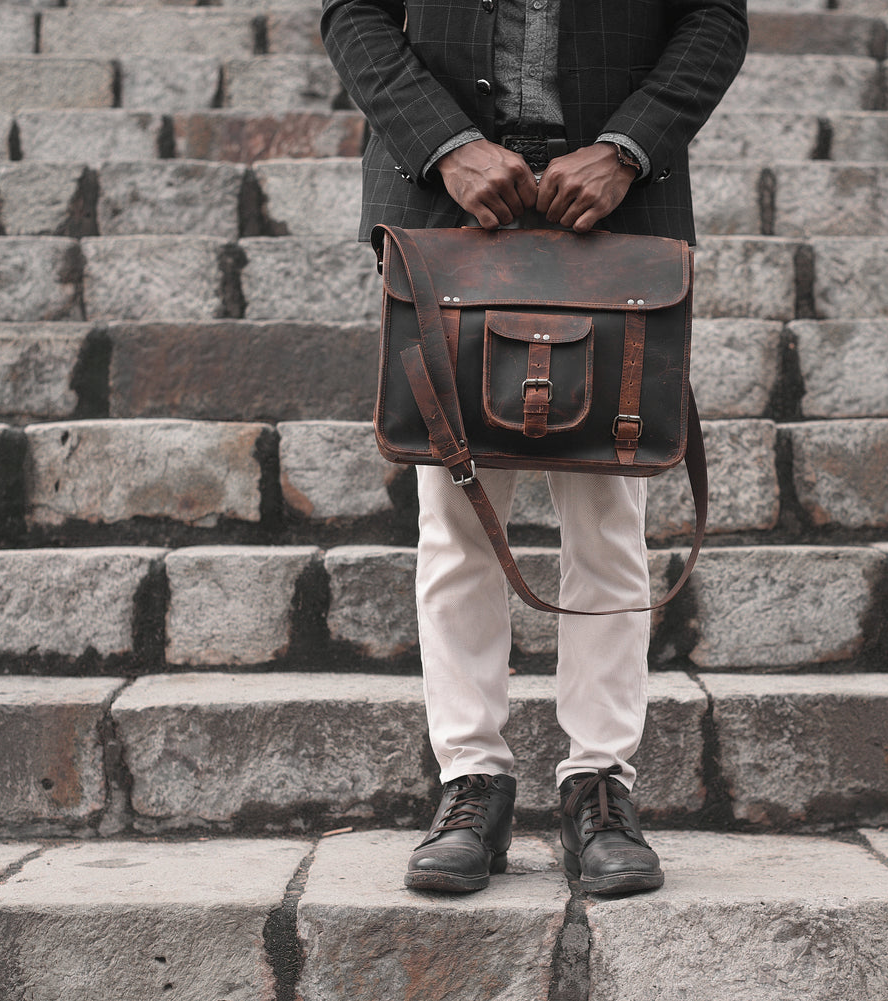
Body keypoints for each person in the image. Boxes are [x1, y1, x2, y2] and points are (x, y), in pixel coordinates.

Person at [321, 0, 747, 894]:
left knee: (608, 514)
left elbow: (714, 16)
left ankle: (600, 786)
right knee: (456, 517)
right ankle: (471, 782)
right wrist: (446, 143)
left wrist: (628, 147)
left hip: (618, 202)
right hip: (443, 199)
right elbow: (354, 12)